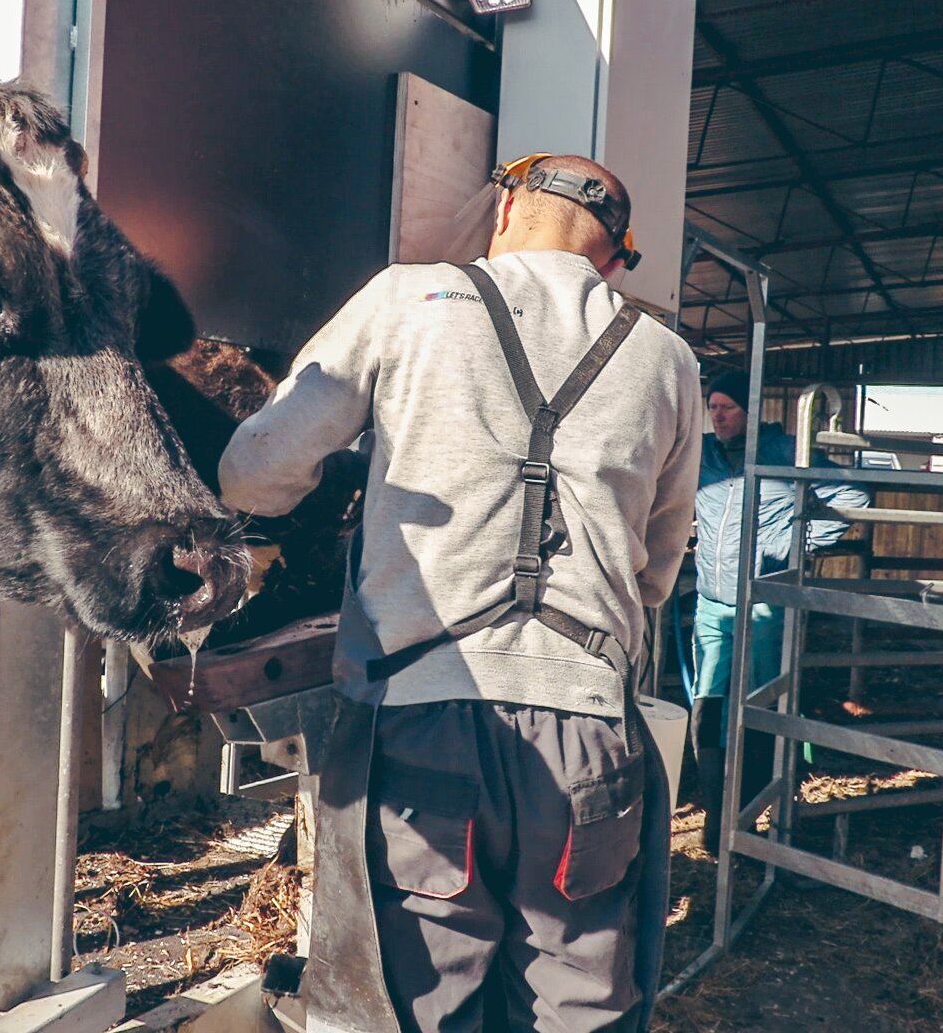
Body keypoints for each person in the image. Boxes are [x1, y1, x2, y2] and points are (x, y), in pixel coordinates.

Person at [220, 154, 700, 1033]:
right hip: (589, 731)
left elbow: (253, 475)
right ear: (612, 258)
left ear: (509, 206)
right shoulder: (667, 359)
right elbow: (658, 570)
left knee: (416, 1003)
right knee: (579, 1002)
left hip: (421, 721)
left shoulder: (409, 300)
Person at [686, 369, 868, 852]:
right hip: (711, 602)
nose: (718, 416)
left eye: (728, 407)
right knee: (707, 704)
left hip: (764, 606)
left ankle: (743, 814)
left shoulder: (784, 452)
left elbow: (853, 493)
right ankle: (717, 811)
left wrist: (792, 543)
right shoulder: (700, 453)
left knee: (760, 708)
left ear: (750, 409)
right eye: (713, 407)